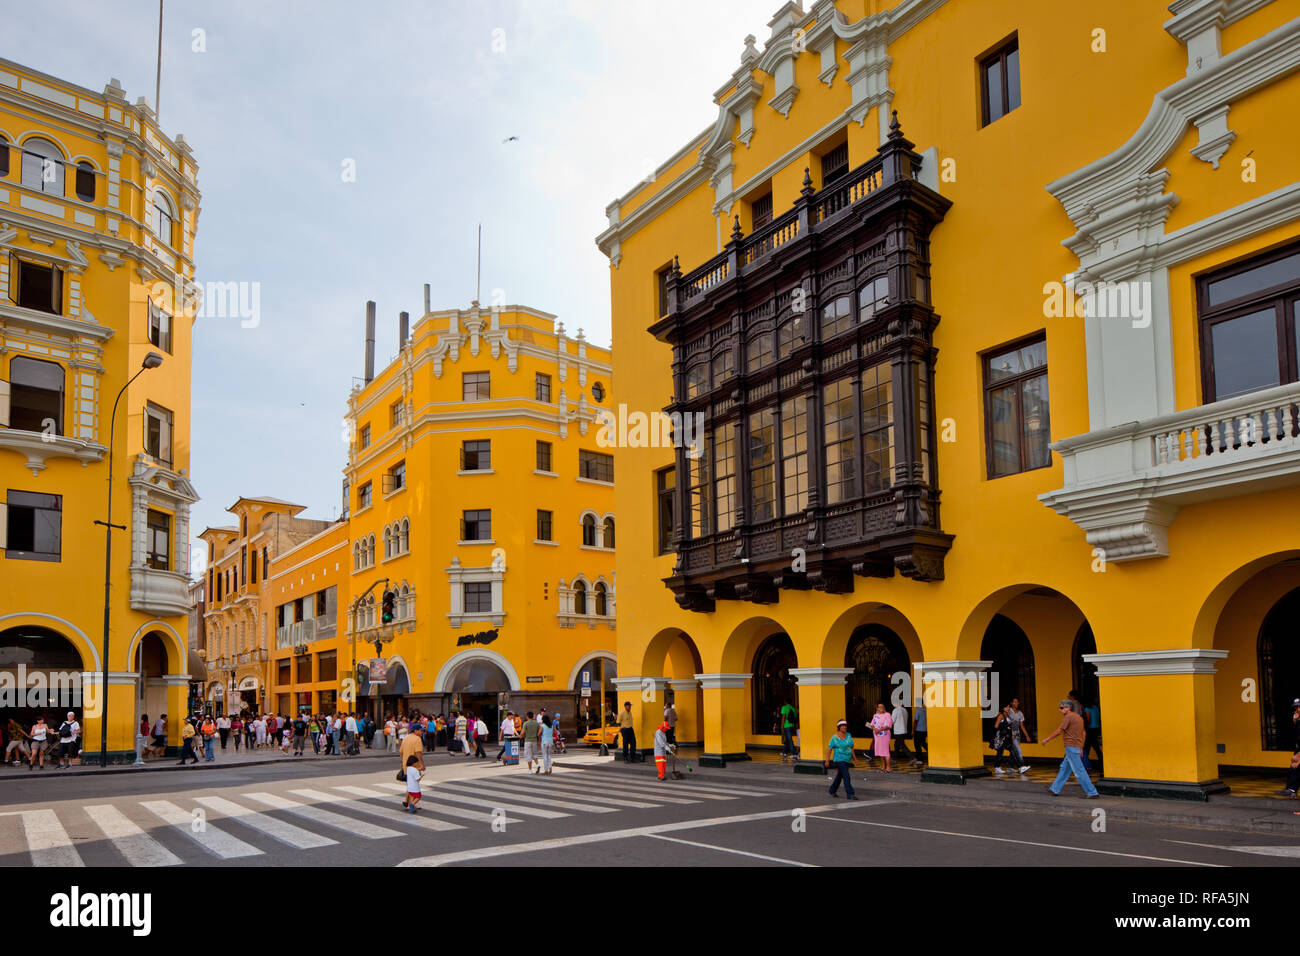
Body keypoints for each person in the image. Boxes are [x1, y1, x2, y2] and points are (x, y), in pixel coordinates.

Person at [1042, 699, 1099, 798]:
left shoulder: (1068, 717)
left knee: (1079, 771)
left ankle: (1092, 792)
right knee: (1064, 768)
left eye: (1061, 708)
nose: (1060, 710)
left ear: (1068, 708)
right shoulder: (1079, 718)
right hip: (1076, 747)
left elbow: (1059, 731)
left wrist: (1047, 739)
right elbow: (1084, 734)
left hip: (1071, 746)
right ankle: (1054, 789)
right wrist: (1081, 747)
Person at [825, 719, 857, 799]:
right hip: (839, 759)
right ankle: (850, 794)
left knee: (839, 776)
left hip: (847, 759)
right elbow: (829, 749)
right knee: (846, 775)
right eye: (842, 726)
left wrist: (855, 758)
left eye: (845, 726)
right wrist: (827, 760)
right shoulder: (834, 738)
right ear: (839, 727)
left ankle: (832, 790)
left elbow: (851, 747)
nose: (844, 727)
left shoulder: (849, 735)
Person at [399, 723, 425, 809]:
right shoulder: (417, 739)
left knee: (410, 784)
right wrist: (422, 764)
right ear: (416, 731)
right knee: (413, 785)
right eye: (421, 730)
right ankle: (410, 804)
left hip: (406, 765)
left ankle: (407, 802)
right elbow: (418, 753)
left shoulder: (406, 738)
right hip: (414, 766)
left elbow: (401, 752)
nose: (422, 732)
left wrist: (403, 762)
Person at [870, 702, 893, 772]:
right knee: (880, 751)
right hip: (877, 735)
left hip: (885, 735)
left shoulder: (887, 715)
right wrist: (875, 730)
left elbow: (888, 725)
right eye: (880, 707)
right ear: (877, 708)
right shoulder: (875, 715)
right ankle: (883, 766)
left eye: (883, 706)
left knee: (885, 751)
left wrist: (879, 730)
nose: (881, 708)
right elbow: (872, 724)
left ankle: (888, 767)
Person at [1083, 698, 1102, 768]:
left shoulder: (1087, 709)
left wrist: (1084, 727)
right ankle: (1101, 762)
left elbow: (1088, 720)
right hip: (1097, 728)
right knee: (1094, 746)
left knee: (1088, 747)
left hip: (1090, 729)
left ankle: (1086, 764)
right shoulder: (1096, 708)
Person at [778, 698, 798, 763]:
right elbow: (795, 718)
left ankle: (794, 753)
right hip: (791, 725)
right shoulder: (793, 708)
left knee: (789, 739)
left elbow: (783, 717)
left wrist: (782, 726)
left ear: (785, 702)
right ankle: (784, 752)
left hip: (786, 725)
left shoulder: (784, 707)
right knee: (787, 739)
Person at [910, 698, 927, 766]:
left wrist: (913, 730)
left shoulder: (918, 711)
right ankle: (931, 754)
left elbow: (915, 722)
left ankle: (920, 759)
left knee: (917, 745)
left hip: (918, 730)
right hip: (925, 731)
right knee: (923, 743)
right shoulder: (926, 710)